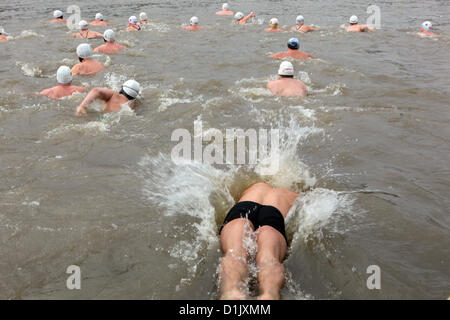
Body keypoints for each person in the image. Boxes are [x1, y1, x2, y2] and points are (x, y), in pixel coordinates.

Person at [219, 182, 299, 300]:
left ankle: (232, 292)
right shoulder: (292, 194)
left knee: (236, 253)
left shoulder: (255, 185)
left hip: (244, 208)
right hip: (275, 214)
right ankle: (269, 294)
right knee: (269, 258)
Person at [75, 79, 140, 115]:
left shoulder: (115, 95)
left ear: (122, 88)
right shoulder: (132, 105)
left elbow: (96, 90)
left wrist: (82, 106)